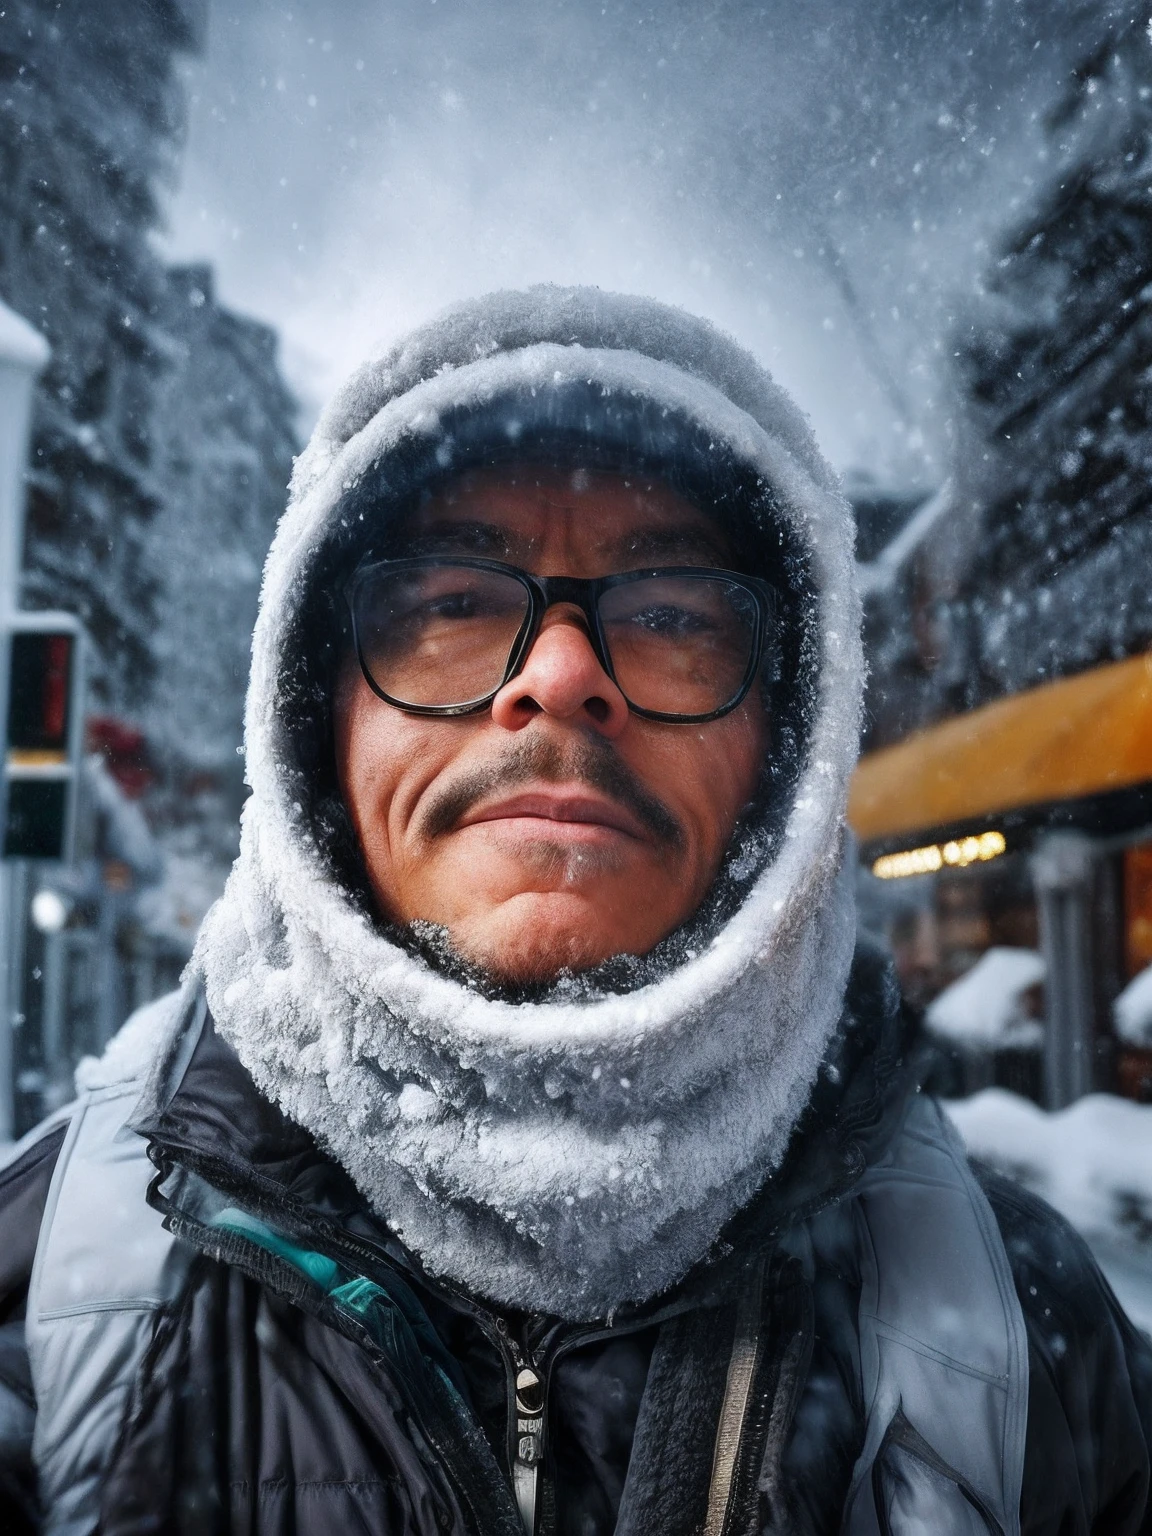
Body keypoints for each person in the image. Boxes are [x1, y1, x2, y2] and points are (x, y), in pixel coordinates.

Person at [0, 287, 1149, 1536]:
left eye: (668, 617)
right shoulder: (50, 1303)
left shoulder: (1026, 1350)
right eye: (450, 603)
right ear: (311, 722)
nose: (560, 678)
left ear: (787, 752)